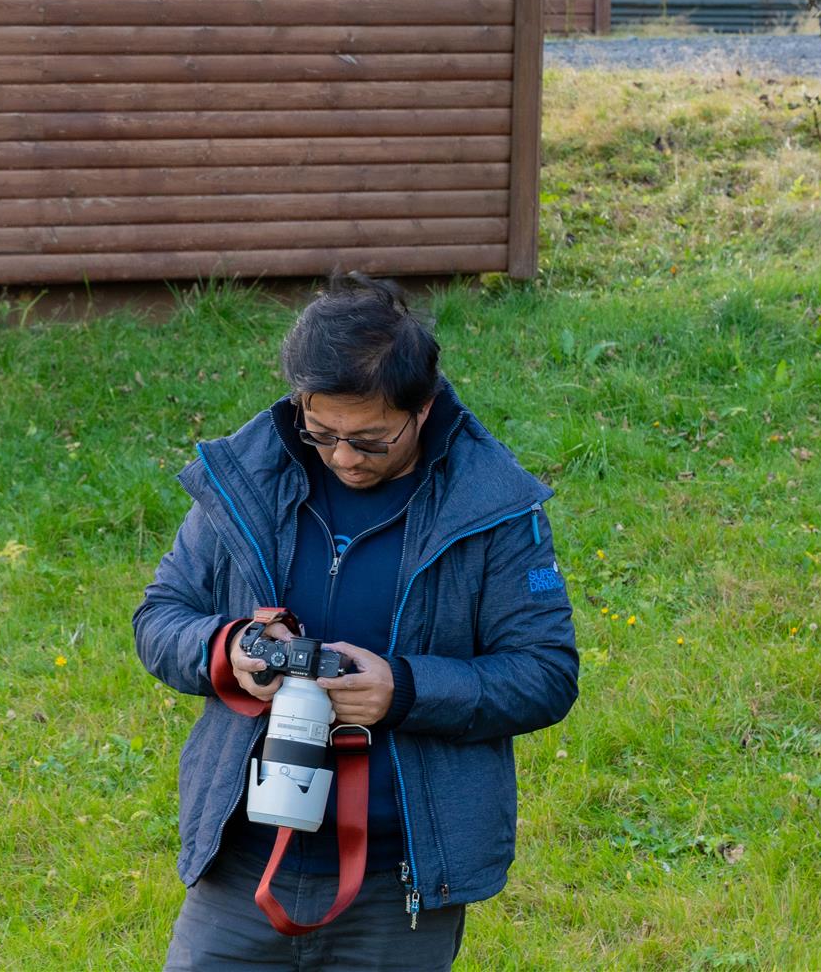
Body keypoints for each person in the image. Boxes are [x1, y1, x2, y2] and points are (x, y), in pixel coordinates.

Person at [133, 278, 578, 971]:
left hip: (397, 874)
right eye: (321, 433)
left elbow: (544, 673)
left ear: (422, 408)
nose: (342, 458)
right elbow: (160, 618)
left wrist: (401, 691)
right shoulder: (243, 480)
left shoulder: (491, 506)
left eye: (370, 441)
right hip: (243, 864)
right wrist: (232, 649)